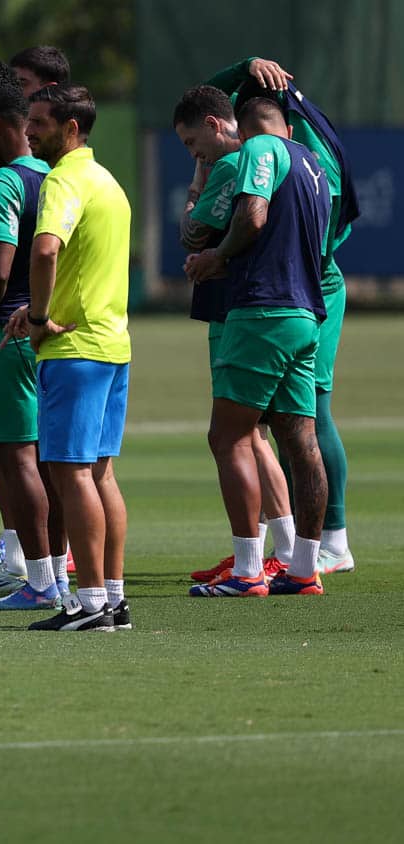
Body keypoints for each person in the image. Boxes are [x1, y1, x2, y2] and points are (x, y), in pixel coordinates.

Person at [206, 57, 360, 576]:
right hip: (296, 293)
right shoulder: (299, 144)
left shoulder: (273, 150)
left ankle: (322, 542)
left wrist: (220, 255)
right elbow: (206, 100)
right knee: (284, 428)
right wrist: (242, 66)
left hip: (292, 291)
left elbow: (291, 226)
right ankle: (299, 558)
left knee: (286, 420)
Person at [185, 97, 332, 599]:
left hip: (263, 311)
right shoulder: (312, 161)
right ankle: (305, 568)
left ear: (243, 128)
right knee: (300, 441)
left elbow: (252, 214)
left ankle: (248, 571)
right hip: (307, 314)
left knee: (229, 437)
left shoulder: (260, 148)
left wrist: (215, 257)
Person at [3, 84, 131, 631]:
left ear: (71, 128)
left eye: (39, 122)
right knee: (99, 473)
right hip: (112, 345)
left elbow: (47, 247)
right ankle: (114, 599)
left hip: (74, 350)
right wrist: (38, 305)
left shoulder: (63, 178)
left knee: (71, 474)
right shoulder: (108, 181)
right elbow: (80, 265)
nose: (29, 131)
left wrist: (36, 320)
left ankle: (93, 601)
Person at [171, 85, 293, 583]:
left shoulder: (228, 166)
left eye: (190, 140)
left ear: (214, 123)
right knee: (258, 432)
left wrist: (198, 180)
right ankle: (278, 549)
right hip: (248, 304)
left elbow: (193, 233)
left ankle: (268, 555)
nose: (191, 152)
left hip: (236, 308)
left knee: (243, 433)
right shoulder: (253, 162)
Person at [0, 82, 63, 610]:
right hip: (48, 332)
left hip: (3, 333)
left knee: (16, 459)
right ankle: (62, 576)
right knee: (51, 460)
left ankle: (41, 581)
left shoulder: (4, 183)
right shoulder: (53, 177)